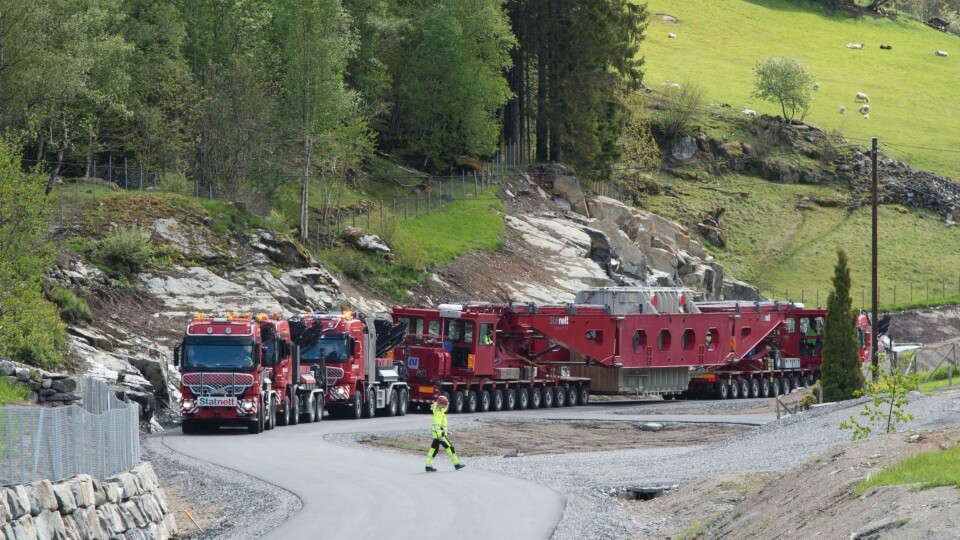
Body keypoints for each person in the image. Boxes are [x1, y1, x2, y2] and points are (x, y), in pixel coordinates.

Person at [425, 395, 465, 472]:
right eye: (445, 404)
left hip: (437, 435)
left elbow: (439, 426)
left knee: (433, 450)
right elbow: (437, 426)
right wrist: (440, 435)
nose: (446, 406)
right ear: (441, 404)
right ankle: (456, 464)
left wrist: (446, 432)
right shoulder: (439, 413)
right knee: (450, 448)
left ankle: (428, 466)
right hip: (440, 436)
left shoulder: (438, 412)